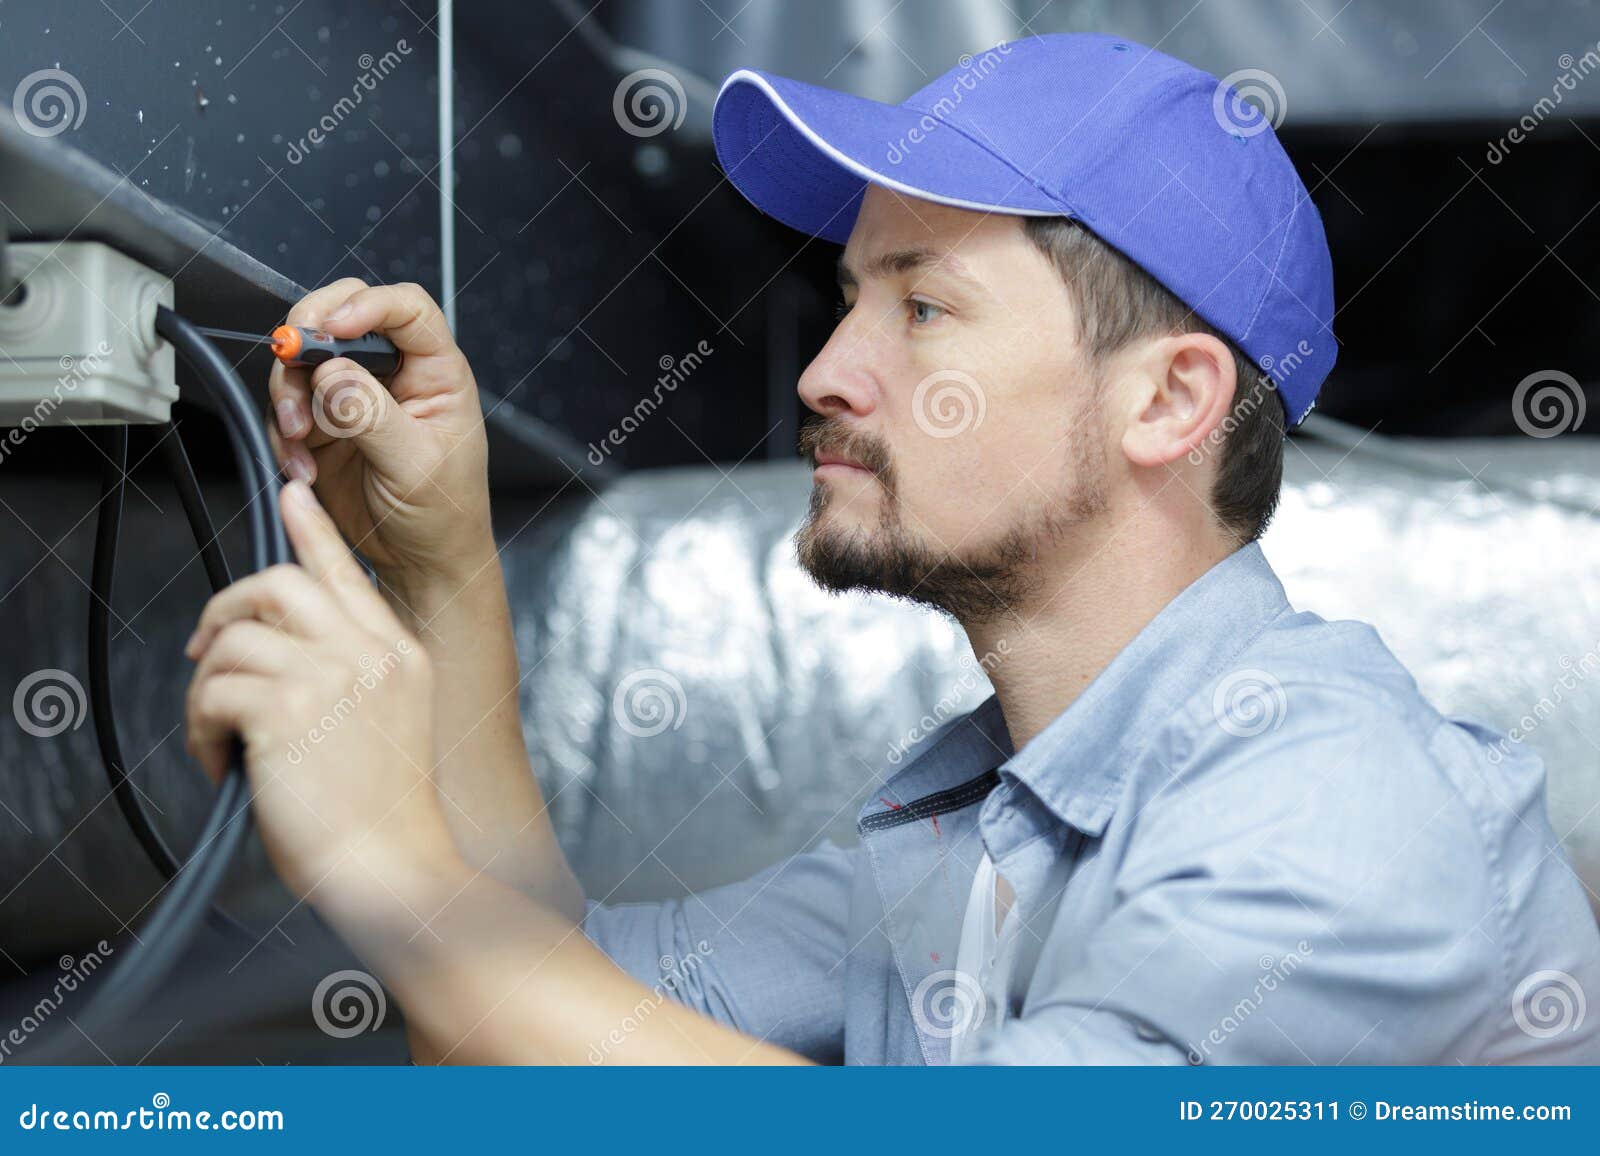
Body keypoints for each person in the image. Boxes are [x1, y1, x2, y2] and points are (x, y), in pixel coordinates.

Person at [183, 33, 1600, 1064]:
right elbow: (544, 1015)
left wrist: (391, 869)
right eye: (851, 299)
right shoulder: (971, 836)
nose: (826, 373)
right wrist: (444, 566)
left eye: (922, 309)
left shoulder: (1336, 808)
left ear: (1170, 401)